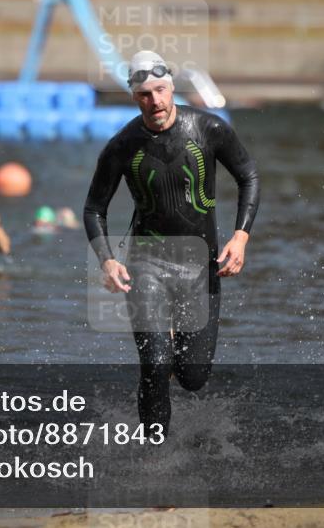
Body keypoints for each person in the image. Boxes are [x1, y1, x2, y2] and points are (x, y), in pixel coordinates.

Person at [83, 50, 260, 433]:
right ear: (134, 96)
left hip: (201, 266)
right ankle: (153, 459)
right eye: (145, 94)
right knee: (155, 363)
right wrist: (107, 260)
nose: (156, 101)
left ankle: (171, 354)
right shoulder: (123, 145)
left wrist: (241, 236)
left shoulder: (208, 129)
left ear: (171, 87)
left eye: (161, 90)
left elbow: (248, 176)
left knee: (193, 376)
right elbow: (94, 208)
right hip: (147, 263)